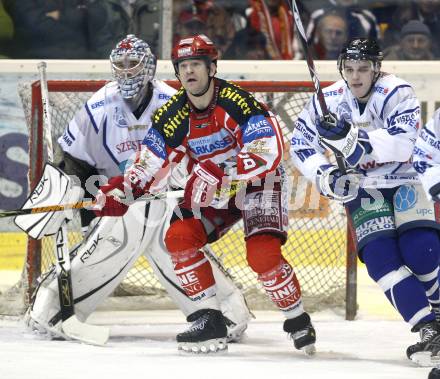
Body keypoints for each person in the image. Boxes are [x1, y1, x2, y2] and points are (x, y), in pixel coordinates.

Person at [95, 34, 316, 354]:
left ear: (212, 67)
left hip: (259, 184)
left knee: (262, 256)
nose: (189, 72)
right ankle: (210, 319)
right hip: (212, 188)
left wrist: (226, 174)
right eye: (183, 66)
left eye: (196, 64)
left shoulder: (239, 102)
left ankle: (297, 320)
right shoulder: (171, 116)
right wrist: (123, 191)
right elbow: (147, 165)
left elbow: (268, 151)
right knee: (178, 237)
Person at [25, 34, 251, 344]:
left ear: (150, 67)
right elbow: (74, 160)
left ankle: (221, 312)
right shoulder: (100, 105)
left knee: (171, 241)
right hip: (117, 201)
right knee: (121, 235)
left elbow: (194, 157)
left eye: (134, 64)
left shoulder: (172, 101)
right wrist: (72, 191)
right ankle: (52, 306)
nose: (128, 71)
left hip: (165, 199)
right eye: (121, 65)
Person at [290, 37, 440, 366]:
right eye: (349, 69)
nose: (355, 76)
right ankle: (428, 328)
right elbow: (299, 144)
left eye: (362, 69)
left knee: (422, 250)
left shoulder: (397, 92)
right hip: (364, 186)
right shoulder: (327, 99)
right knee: (380, 260)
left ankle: (439, 315)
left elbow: (403, 145)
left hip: (405, 178)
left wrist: (350, 139)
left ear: (376, 68)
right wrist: (326, 174)